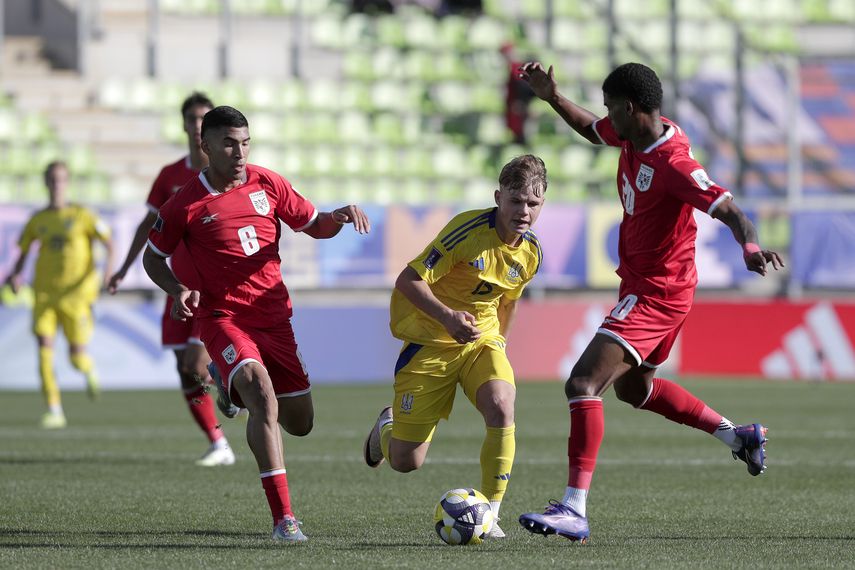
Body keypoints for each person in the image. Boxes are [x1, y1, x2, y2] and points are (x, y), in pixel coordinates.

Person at [514, 62, 784, 543]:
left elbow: (731, 210)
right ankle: (738, 435)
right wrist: (551, 96)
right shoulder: (633, 136)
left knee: (582, 383)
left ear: (630, 108)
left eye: (610, 107)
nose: (606, 116)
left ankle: (574, 508)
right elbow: (591, 131)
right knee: (634, 392)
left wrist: (750, 247)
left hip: (657, 293)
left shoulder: (674, 162)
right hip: (649, 286)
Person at [142, 106, 371, 542]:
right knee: (260, 392)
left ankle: (224, 380)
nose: (240, 151)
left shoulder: (268, 182)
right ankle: (284, 519)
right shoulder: (185, 204)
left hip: (275, 318)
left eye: (245, 142)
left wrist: (338, 217)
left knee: (300, 422)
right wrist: (176, 290)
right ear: (205, 146)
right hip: (222, 317)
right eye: (229, 142)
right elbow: (153, 257)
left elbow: (313, 225)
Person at [363, 154, 547, 539]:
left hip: (481, 341)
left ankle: (492, 513)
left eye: (533, 202)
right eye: (515, 201)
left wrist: (499, 345)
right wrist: (448, 318)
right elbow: (408, 279)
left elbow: (508, 300)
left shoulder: (531, 254)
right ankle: (386, 426)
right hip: (431, 341)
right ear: (499, 198)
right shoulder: (467, 232)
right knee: (405, 461)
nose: (524, 211)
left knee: (501, 404)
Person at [107, 93, 235, 467]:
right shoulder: (170, 176)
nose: (198, 126)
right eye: (192, 119)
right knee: (184, 370)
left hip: (210, 288)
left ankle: (230, 382)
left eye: (204, 119)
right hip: (176, 287)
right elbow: (149, 225)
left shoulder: (229, 174)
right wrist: (123, 268)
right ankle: (218, 443)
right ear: (184, 125)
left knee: (196, 365)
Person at [5, 161, 114, 429]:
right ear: (45, 183)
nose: (57, 185)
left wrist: (108, 273)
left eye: (61, 179)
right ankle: (54, 409)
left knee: (76, 356)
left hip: (76, 295)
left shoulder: (83, 215)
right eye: (52, 180)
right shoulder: (37, 219)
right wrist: (16, 274)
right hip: (43, 294)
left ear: (68, 183)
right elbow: (24, 251)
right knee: (43, 348)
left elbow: (109, 243)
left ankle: (88, 369)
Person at [500, 41, 534, 145]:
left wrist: (522, 103)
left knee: (520, 136)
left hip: (518, 109)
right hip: (513, 108)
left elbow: (525, 88)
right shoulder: (511, 68)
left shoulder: (517, 68)